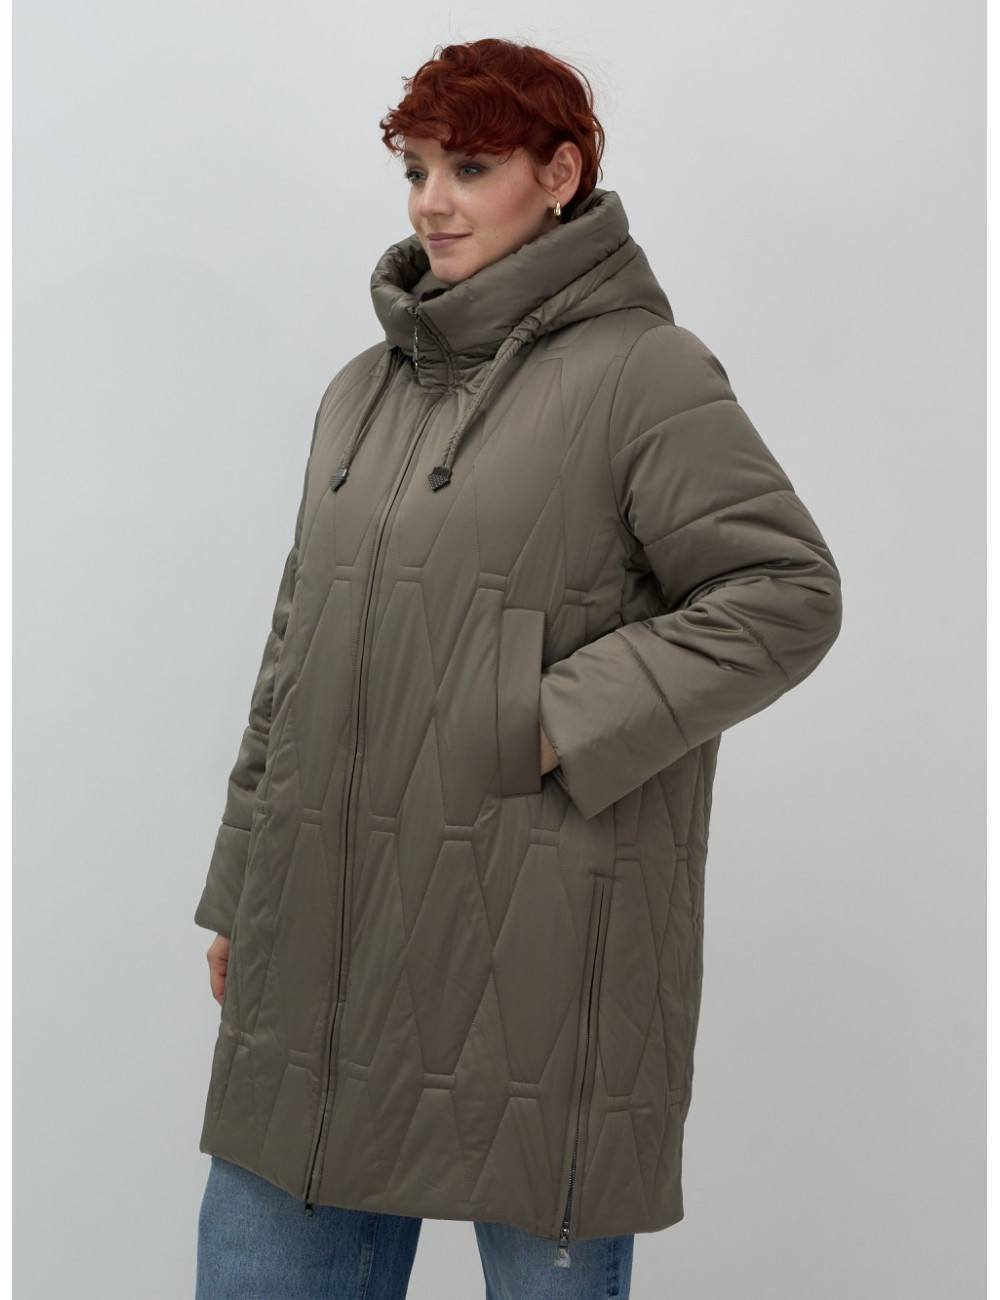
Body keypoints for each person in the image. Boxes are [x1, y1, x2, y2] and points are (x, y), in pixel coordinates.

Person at [193, 37, 842, 1300]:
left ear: (560, 174)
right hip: (317, 948)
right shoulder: (359, 393)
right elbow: (293, 647)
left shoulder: (643, 372)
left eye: (471, 168)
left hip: (535, 947)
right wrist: (239, 885)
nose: (432, 202)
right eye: (416, 169)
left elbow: (784, 591)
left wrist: (543, 719)